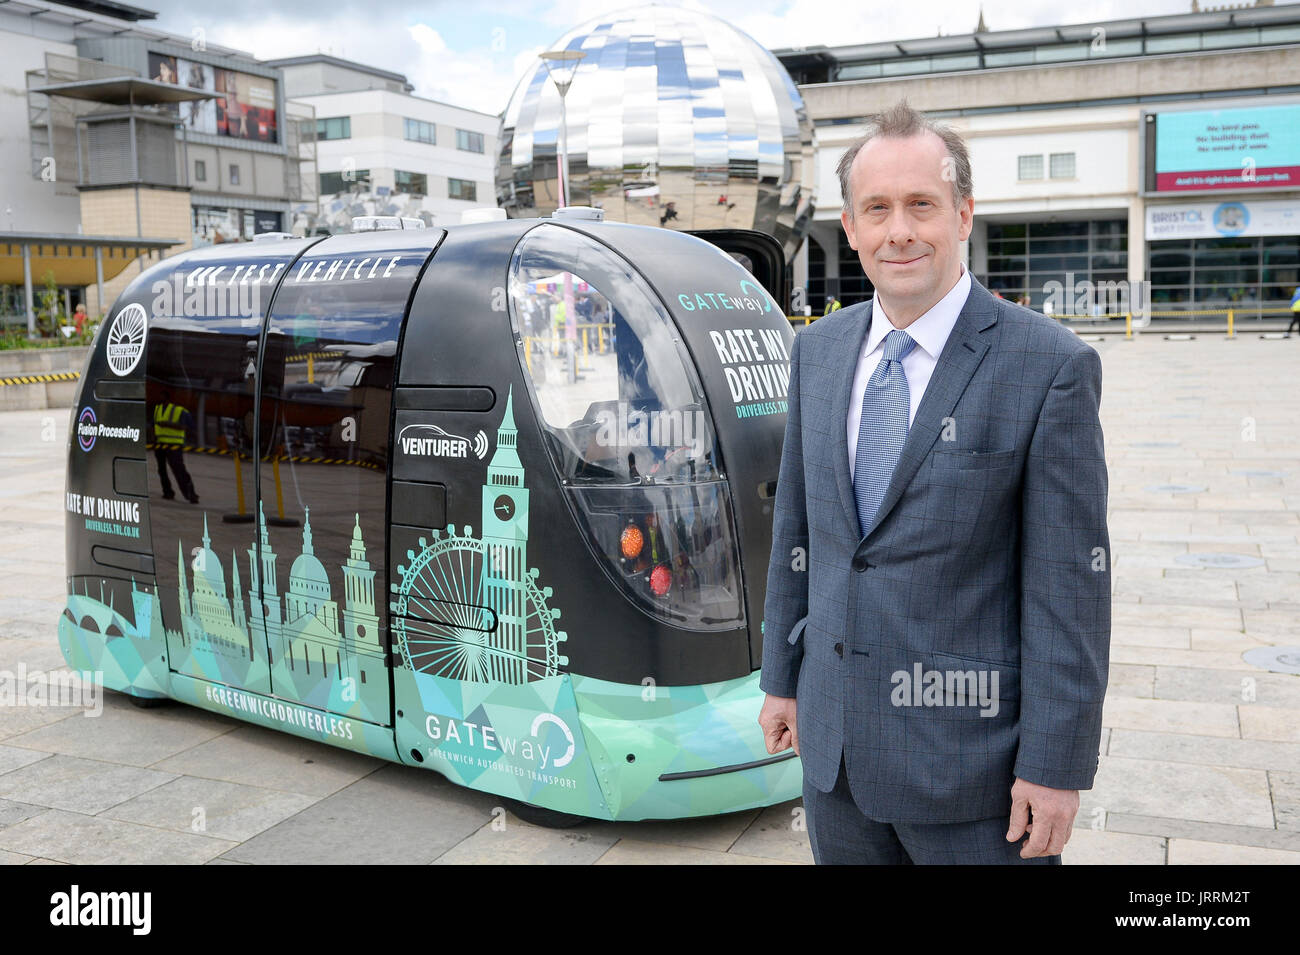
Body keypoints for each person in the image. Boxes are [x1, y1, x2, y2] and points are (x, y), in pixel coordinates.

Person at [758, 101, 1110, 865]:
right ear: (848, 227)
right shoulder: (815, 355)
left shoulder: (1048, 368)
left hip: (976, 781)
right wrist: (782, 680)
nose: (900, 231)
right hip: (838, 760)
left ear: (964, 213)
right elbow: (800, 533)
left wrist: (1054, 765)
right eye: (876, 209)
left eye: (922, 205)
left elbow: (1068, 590)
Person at [152, 389, 199, 504]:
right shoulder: (157, 409)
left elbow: (185, 427)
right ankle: (167, 492)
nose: (158, 398)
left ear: (166, 397)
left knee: (179, 470)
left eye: (161, 395)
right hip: (159, 444)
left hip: (174, 445)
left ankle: (191, 495)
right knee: (161, 470)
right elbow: (153, 426)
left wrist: (166, 424)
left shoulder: (179, 411)